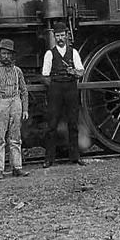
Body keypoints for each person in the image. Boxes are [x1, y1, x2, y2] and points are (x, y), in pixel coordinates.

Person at [41, 21, 86, 167]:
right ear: (54, 37)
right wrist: (54, 87)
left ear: (67, 36)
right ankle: (49, 159)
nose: (60, 38)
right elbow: (45, 75)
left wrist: (74, 73)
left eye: (62, 35)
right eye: (57, 35)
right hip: (56, 90)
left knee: (73, 123)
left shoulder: (73, 52)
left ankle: (75, 156)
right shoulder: (49, 54)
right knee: (52, 124)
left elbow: (81, 71)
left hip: (71, 88)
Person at [0, 38, 29, 180]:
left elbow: (24, 91)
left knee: (16, 138)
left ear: (12, 55)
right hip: (0, 103)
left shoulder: (18, 71)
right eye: (3, 53)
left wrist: (25, 109)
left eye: (9, 54)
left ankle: (17, 167)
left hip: (15, 102)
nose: (6, 56)